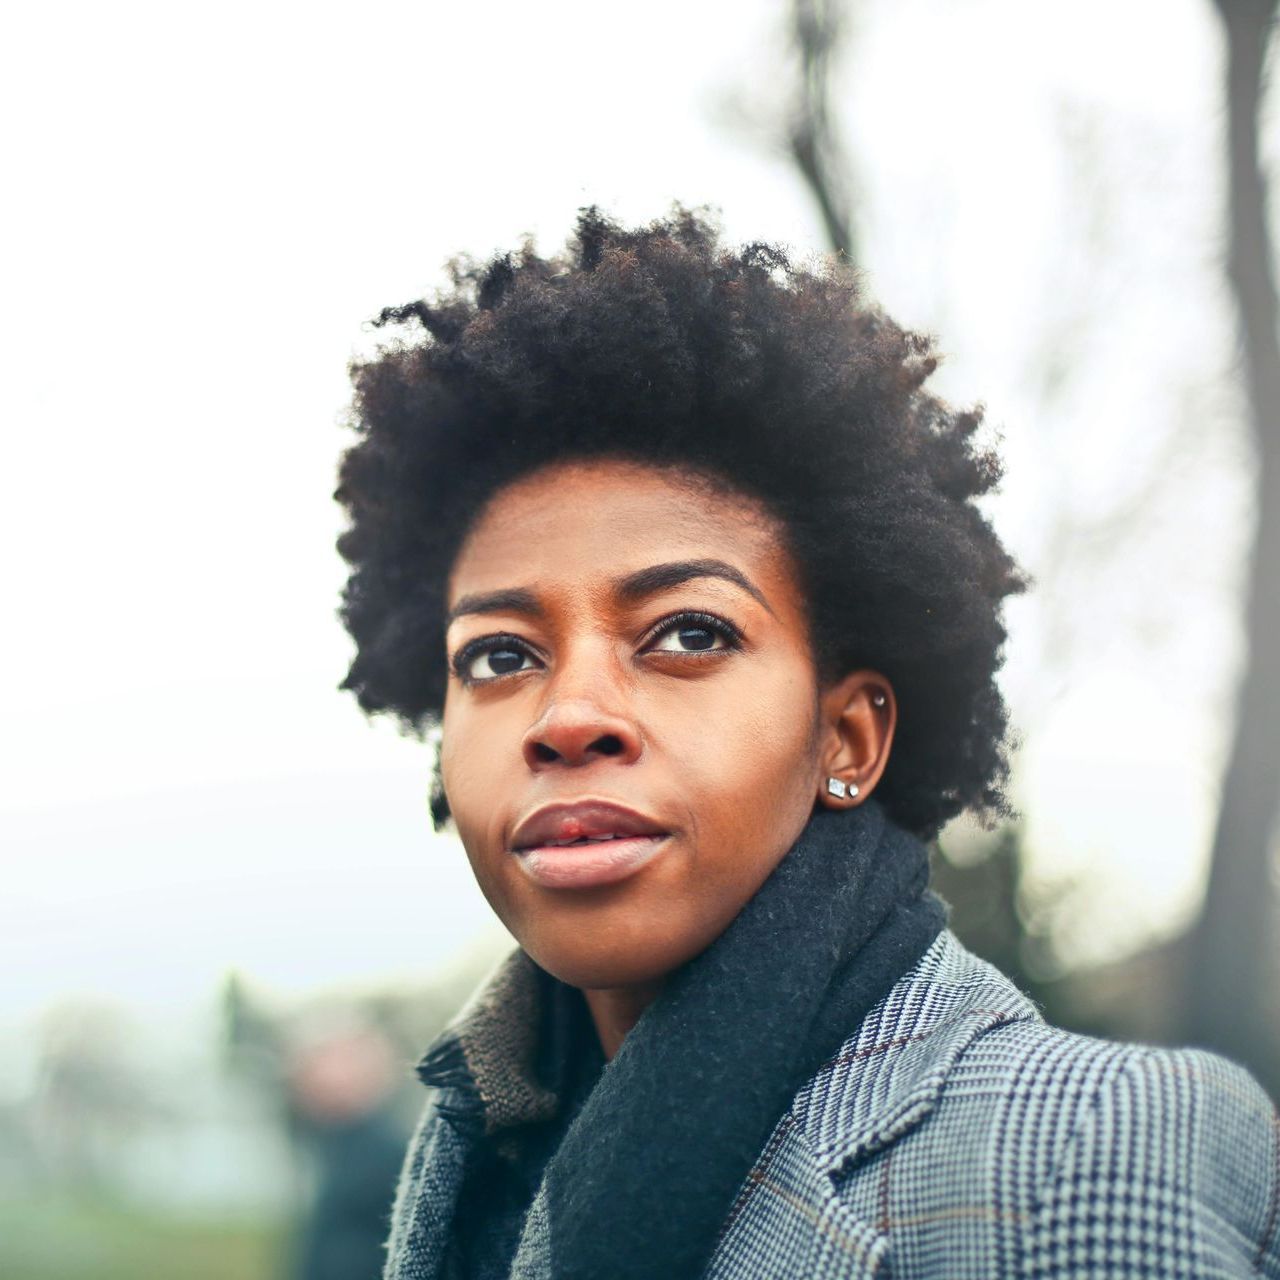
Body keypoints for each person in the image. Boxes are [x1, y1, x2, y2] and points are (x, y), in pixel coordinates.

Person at [333, 207, 1279, 1280]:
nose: (565, 715)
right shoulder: (473, 1150)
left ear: (846, 735)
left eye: (687, 633)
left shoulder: (1095, 1149)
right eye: (499, 656)